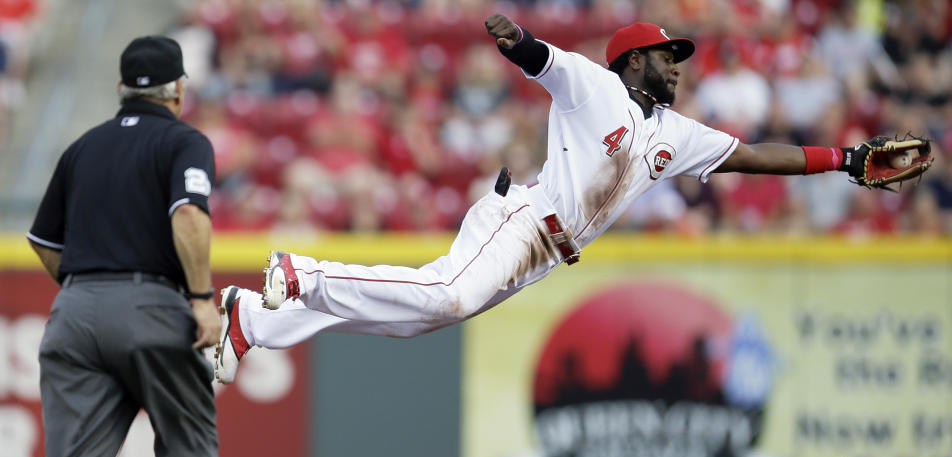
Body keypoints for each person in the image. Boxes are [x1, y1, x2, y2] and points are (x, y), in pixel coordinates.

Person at [213, 14, 910, 384]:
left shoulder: (678, 133)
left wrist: (845, 160)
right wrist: (517, 42)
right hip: (522, 218)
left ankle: (255, 321)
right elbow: (542, 59)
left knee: (413, 320)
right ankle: (303, 270)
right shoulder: (596, 85)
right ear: (635, 60)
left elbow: (757, 157)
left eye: (678, 57)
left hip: (546, 254)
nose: (676, 64)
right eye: (668, 55)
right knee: (445, 296)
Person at [11, 36, 240, 457]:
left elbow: (42, 240)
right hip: (154, 305)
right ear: (179, 90)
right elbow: (188, 214)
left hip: (76, 310)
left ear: (121, 88)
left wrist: (91, 291)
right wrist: (199, 299)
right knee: (191, 456)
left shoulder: (83, 147)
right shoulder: (183, 139)